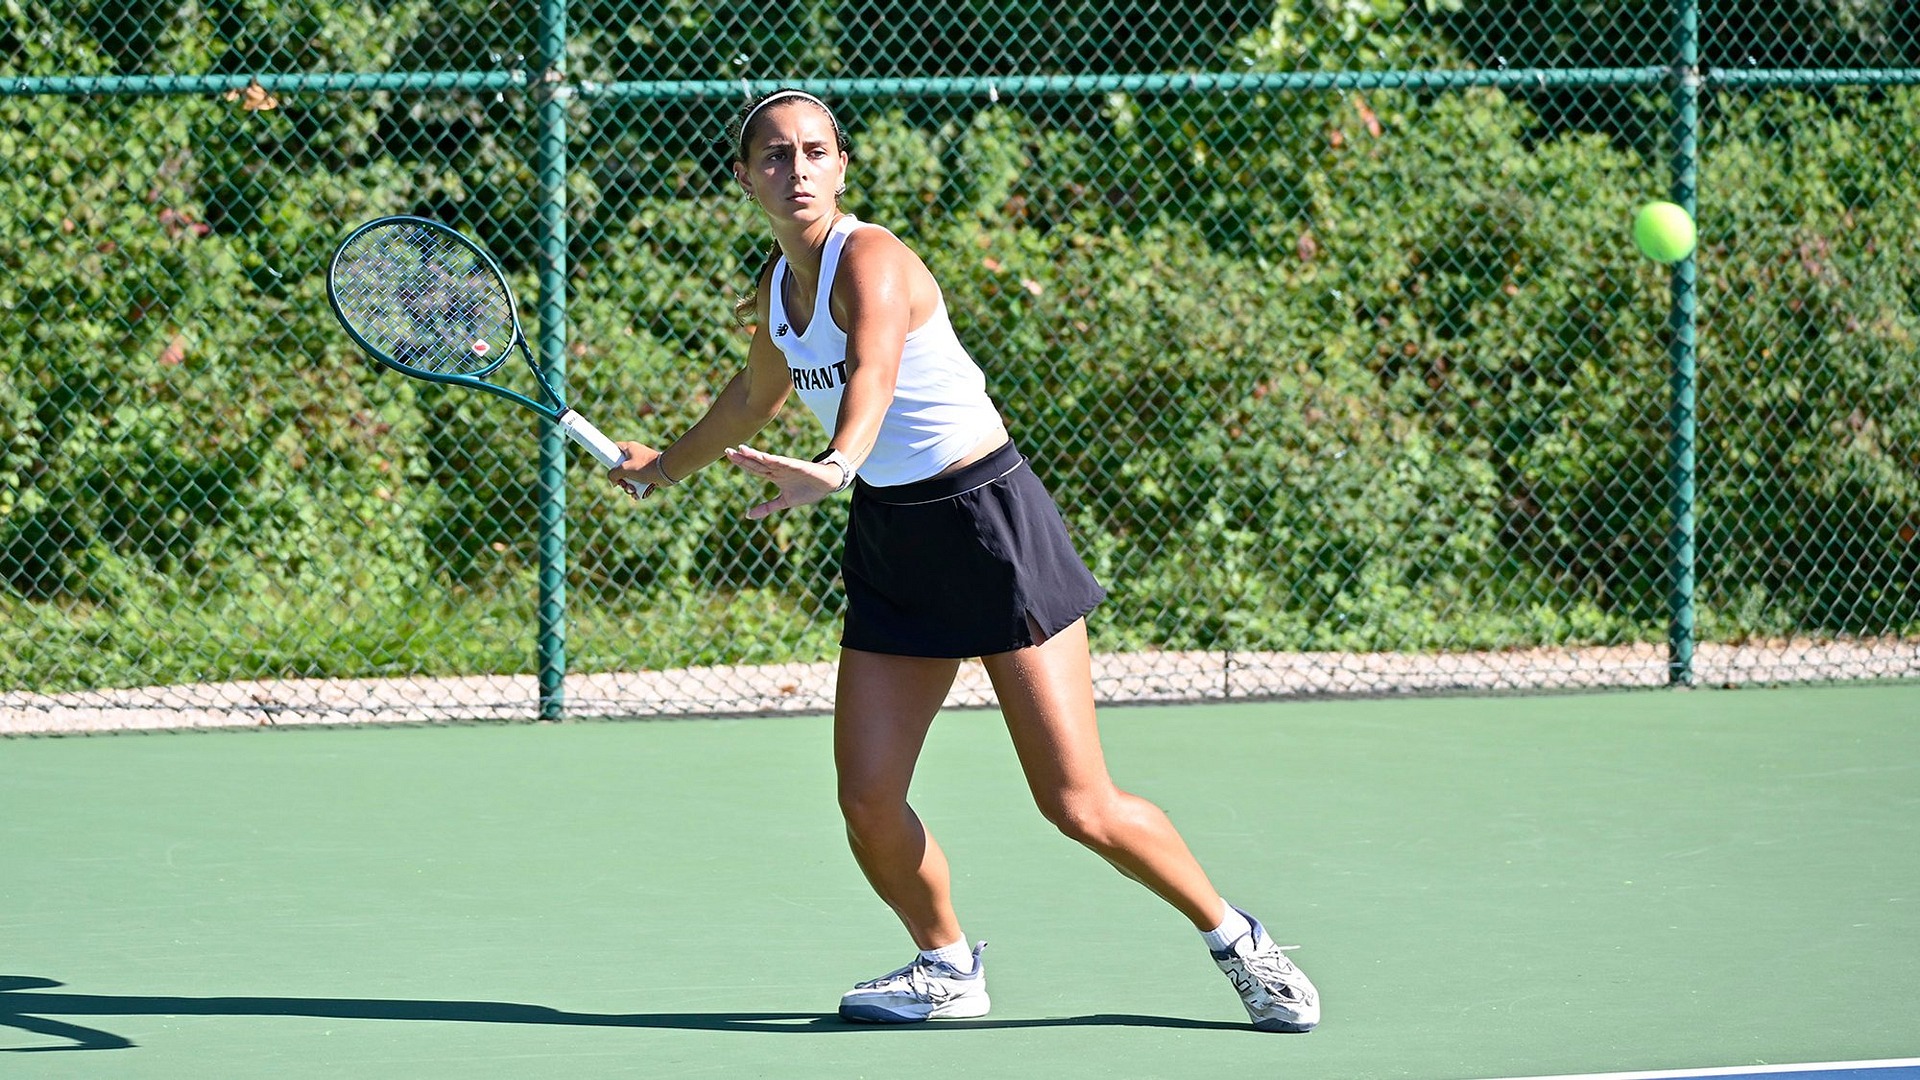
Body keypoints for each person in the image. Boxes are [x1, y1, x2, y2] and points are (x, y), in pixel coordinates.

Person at [607, 88, 1319, 1033]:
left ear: (842, 166)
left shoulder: (876, 258)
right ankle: (947, 966)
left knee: (1078, 803)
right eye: (775, 157)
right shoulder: (779, 293)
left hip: (987, 522)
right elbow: (750, 398)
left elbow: (874, 371)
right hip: (895, 540)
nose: (798, 170)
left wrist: (836, 464)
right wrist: (664, 467)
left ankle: (1238, 940)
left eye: (815, 151)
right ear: (746, 179)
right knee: (866, 797)